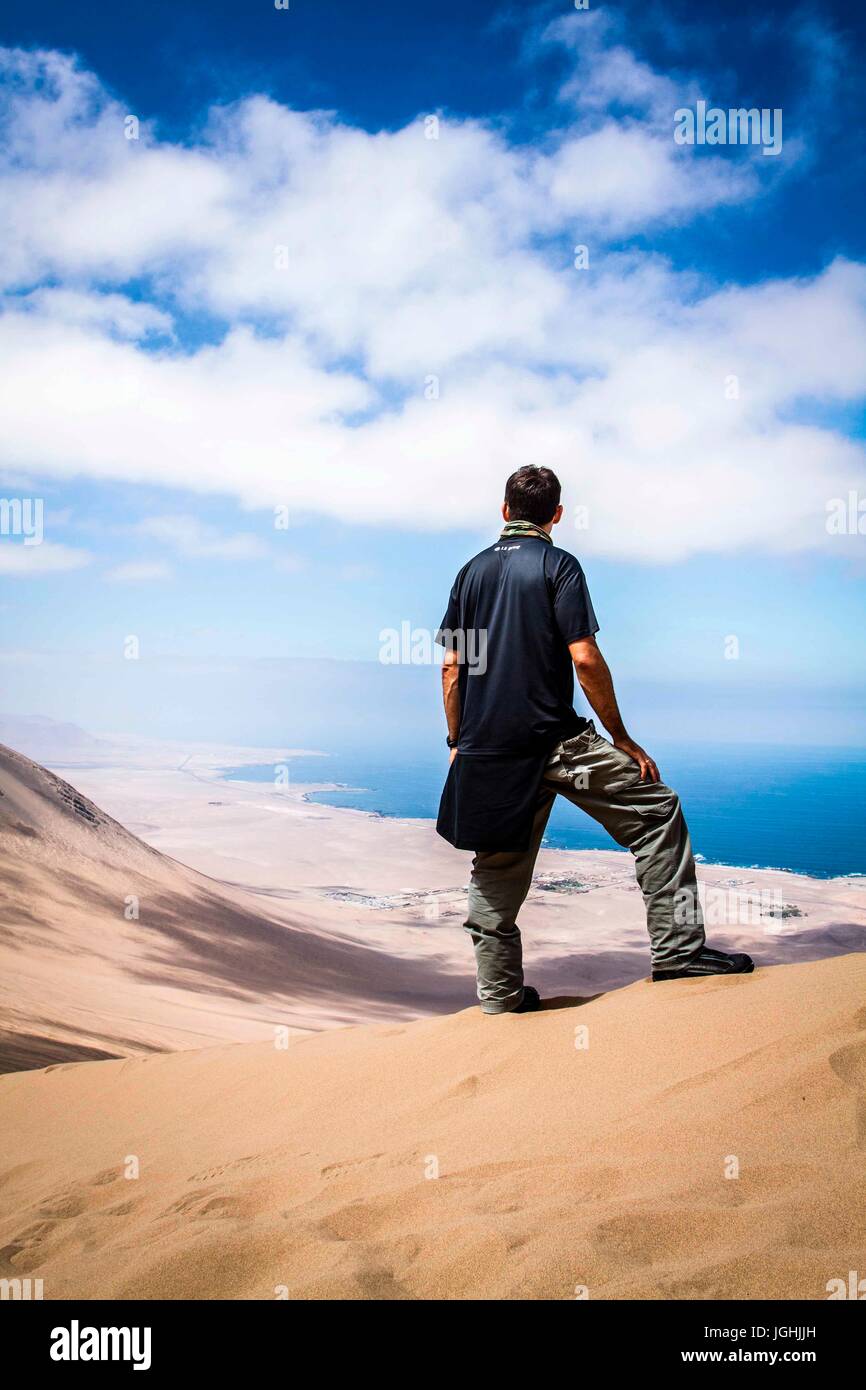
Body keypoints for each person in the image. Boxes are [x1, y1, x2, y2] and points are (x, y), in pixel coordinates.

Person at [435, 465, 754, 1014]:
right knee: (658, 814)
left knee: (496, 869)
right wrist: (622, 739)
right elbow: (583, 657)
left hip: (493, 751)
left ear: (504, 510)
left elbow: (452, 667)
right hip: (559, 744)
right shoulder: (559, 566)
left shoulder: (470, 573)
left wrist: (458, 741)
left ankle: (499, 997)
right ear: (557, 515)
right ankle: (678, 954)